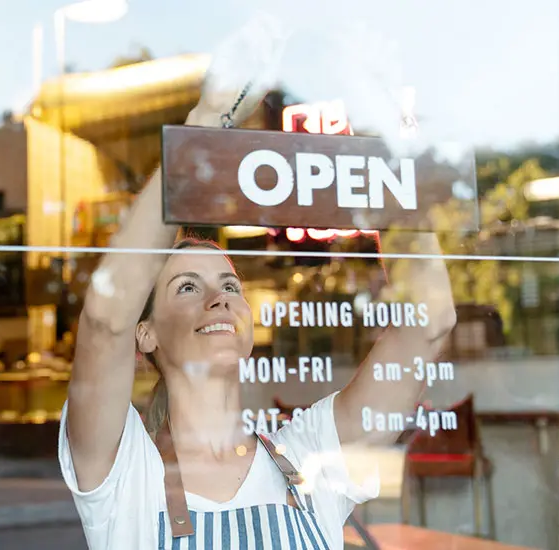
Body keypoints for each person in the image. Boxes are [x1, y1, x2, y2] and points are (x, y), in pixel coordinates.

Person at [58, 19, 456, 550]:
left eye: (229, 283)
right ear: (145, 333)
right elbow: (106, 319)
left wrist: (380, 152)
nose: (218, 296)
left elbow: (429, 325)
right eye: (186, 288)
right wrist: (204, 127)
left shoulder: (308, 457)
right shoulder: (121, 469)